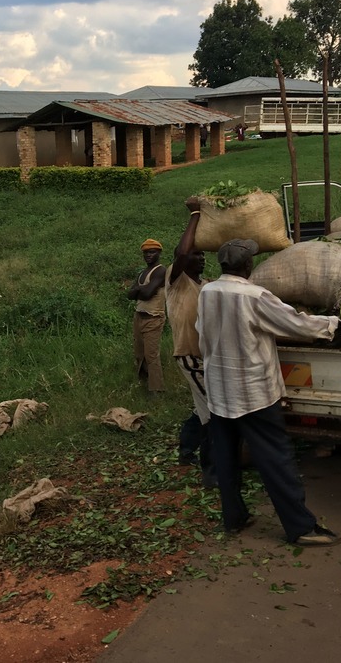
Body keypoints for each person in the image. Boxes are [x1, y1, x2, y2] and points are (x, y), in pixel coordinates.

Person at [196, 239, 341, 546]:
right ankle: (301, 528)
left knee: (226, 458)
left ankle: (234, 518)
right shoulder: (254, 295)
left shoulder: (207, 292)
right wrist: (331, 324)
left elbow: (201, 331)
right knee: (276, 459)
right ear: (248, 265)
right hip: (254, 393)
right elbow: (294, 324)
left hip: (220, 392)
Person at [164, 198, 215, 485]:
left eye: (203, 254)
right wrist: (195, 215)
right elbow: (181, 252)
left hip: (205, 356)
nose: (201, 257)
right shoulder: (176, 280)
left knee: (201, 406)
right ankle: (212, 471)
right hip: (189, 355)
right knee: (213, 410)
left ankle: (186, 450)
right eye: (197, 254)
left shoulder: (205, 285)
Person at [126, 239, 166, 396]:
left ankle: (156, 389)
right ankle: (144, 382)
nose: (148, 255)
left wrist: (138, 289)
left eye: (152, 252)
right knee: (139, 353)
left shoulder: (160, 270)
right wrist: (140, 290)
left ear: (159, 253)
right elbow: (130, 295)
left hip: (153, 317)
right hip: (139, 316)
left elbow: (147, 293)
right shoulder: (143, 273)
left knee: (151, 355)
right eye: (146, 252)